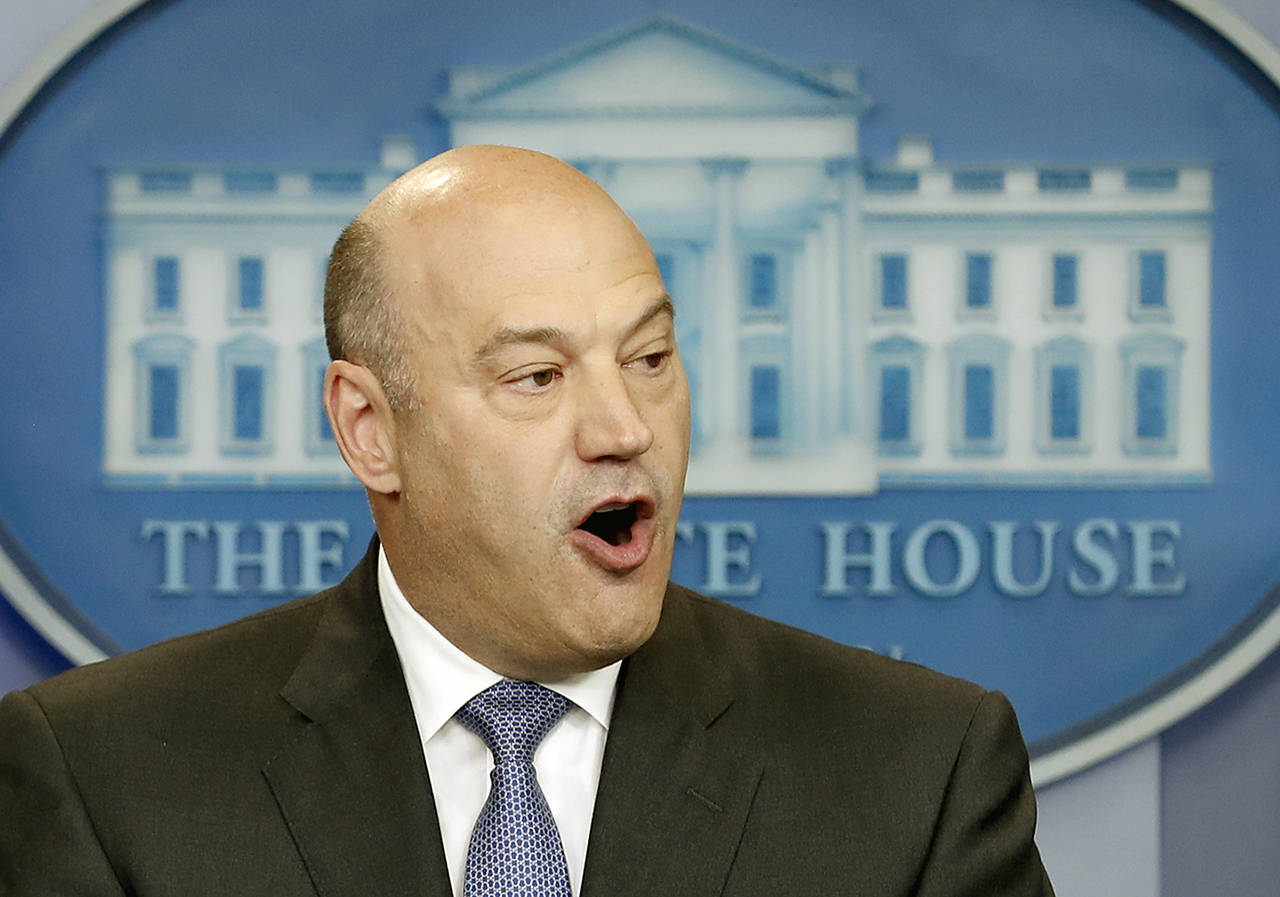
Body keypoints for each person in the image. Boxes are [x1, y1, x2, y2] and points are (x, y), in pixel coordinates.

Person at [0, 145, 1054, 896]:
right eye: (536, 376)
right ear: (371, 431)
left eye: (648, 359)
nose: (622, 426)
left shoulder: (916, 773)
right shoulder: (104, 779)